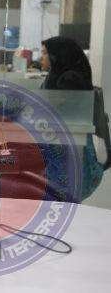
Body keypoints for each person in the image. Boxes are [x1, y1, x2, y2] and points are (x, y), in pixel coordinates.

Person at [40, 36, 102, 201]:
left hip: (69, 152)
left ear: (57, 56)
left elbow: (54, 112)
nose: (41, 57)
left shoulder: (69, 80)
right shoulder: (56, 76)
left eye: (45, 53)